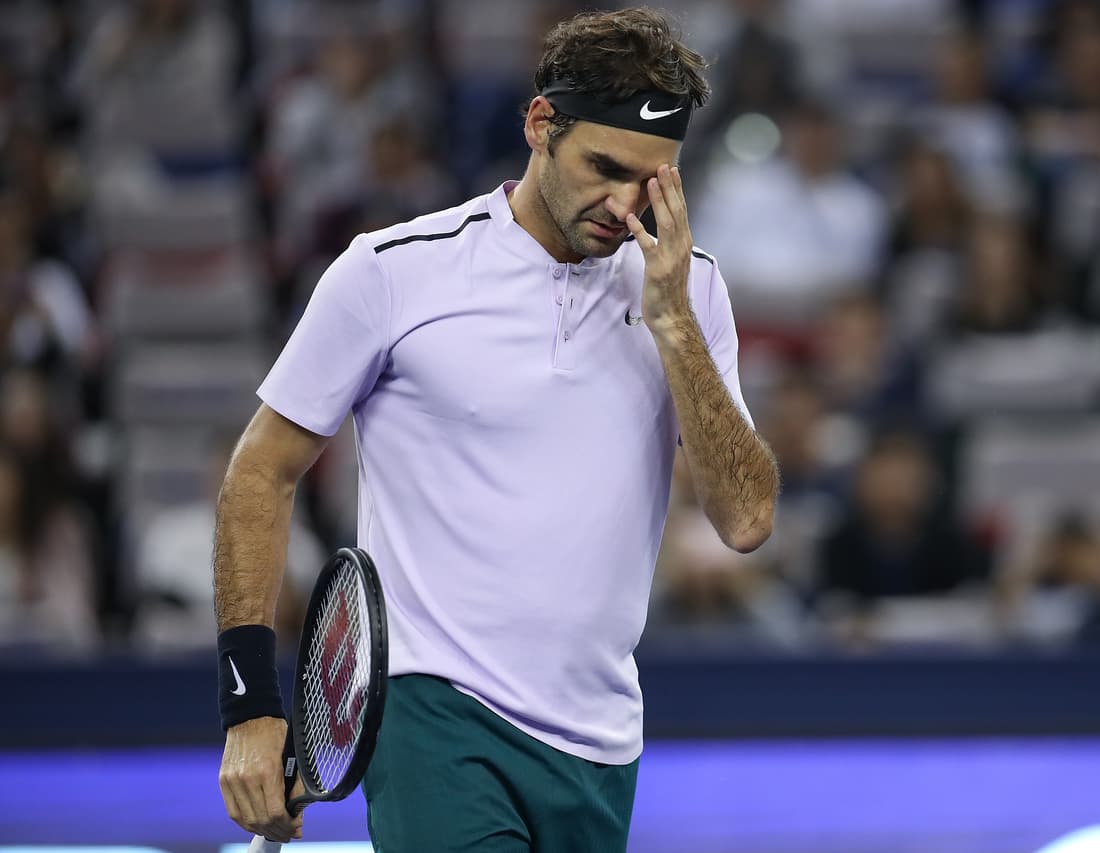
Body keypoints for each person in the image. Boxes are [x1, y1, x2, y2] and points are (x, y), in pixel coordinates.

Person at [213, 9, 779, 852]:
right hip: (433, 714)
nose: (624, 205)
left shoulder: (688, 291)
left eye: (652, 181)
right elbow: (260, 473)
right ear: (540, 125)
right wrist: (251, 707)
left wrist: (673, 326)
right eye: (604, 167)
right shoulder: (392, 272)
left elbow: (745, 520)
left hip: (600, 742)